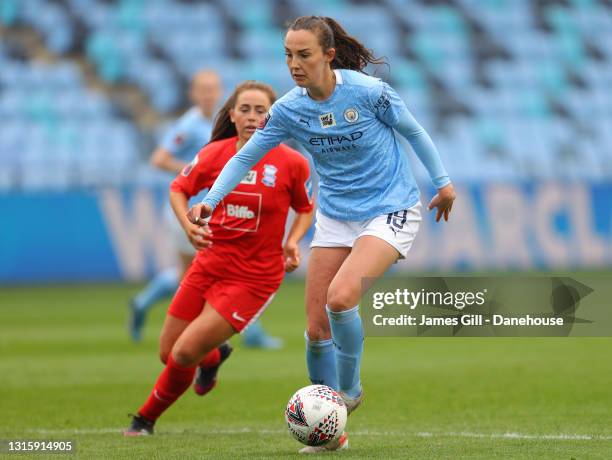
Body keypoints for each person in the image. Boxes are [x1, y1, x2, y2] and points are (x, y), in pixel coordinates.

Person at [187, 16, 456, 453]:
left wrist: (443, 184)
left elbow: (414, 131)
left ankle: (348, 394)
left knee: (341, 298)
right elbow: (245, 157)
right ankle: (330, 433)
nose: (294, 63)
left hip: (389, 208)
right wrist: (210, 201)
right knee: (315, 331)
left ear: (329, 55)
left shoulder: (368, 93)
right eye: (288, 55)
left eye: (304, 54)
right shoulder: (290, 109)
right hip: (335, 216)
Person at [124, 81, 314, 436]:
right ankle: (213, 357)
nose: (253, 117)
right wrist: (189, 229)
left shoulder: (292, 163)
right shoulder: (216, 153)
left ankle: (144, 420)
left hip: (254, 278)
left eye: (262, 111)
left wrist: (293, 241)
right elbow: (178, 188)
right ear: (231, 114)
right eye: (245, 109)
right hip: (209, 264)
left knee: (182, 355)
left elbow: (305, 208)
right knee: (169, 353)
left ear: (274, 117)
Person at [129, 70, 283, 349]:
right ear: (193, 93)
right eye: (202, 89)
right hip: (191, 209)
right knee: (215, 272)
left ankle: (144, 302)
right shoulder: (188, 125)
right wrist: (198, 170)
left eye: (212, 89)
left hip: (219, 208)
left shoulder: (224, 122)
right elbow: (159, 159)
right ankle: (242, 332)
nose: (208, 94)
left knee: (202, 272)